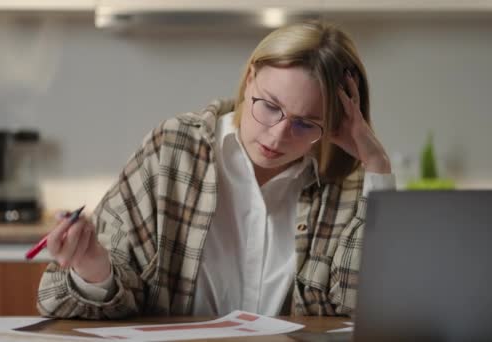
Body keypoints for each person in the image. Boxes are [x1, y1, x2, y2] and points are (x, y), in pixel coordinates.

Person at [36, 20, 395, 319]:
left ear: (334, 122)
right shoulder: (173, 151)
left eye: (306, 124)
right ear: (249, 78)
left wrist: (377, 166)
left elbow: (363, 306)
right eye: (270, 107)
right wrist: (93, 266)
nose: (278, 134)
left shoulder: (345, 180)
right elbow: (94, 296)